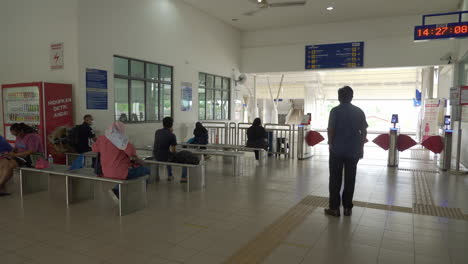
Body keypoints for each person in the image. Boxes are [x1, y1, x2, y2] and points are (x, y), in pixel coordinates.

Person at [325, 86, 367, 217]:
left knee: (335, 179)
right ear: (351, 97)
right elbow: (364, 131)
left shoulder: (335, 111)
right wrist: (361, 147)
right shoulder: (359, 111)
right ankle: (348, 208)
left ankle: (334, 208)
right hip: (353, 150)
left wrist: (330, 143)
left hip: (337, 150)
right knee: (350, 179)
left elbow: (331, 129)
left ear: (339, 97)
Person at [92, 121, 149, 203]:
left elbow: (94, 149)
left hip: (105, 172)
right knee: (146, 170)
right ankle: (139, 196)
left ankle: (117, 190)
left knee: (126, 173)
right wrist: (142, 162)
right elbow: (133, 155)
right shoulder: (122, 140)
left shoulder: (102, 138)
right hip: (121, 172)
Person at [0, 123, 43, 196]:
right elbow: (17, 147)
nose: (16, 136)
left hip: (34, 159)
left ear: (22, 131)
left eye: (16, 135)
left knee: (9, 165)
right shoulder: (19, 136)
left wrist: (15, 155)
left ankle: (0, 185)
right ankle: (1, 186)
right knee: (3, 162)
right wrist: (11, 152)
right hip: (21, 157)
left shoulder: (32, 137)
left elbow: (31, 151)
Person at [153, 117, 187, 183]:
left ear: (163, 124)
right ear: (172, 124)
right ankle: (183, 177)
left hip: (156, 155)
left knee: (167, 154)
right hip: (165, 156)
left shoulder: (157, 132)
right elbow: (173, 150)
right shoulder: (172, 135)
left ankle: (170, 175)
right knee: (185, 159)